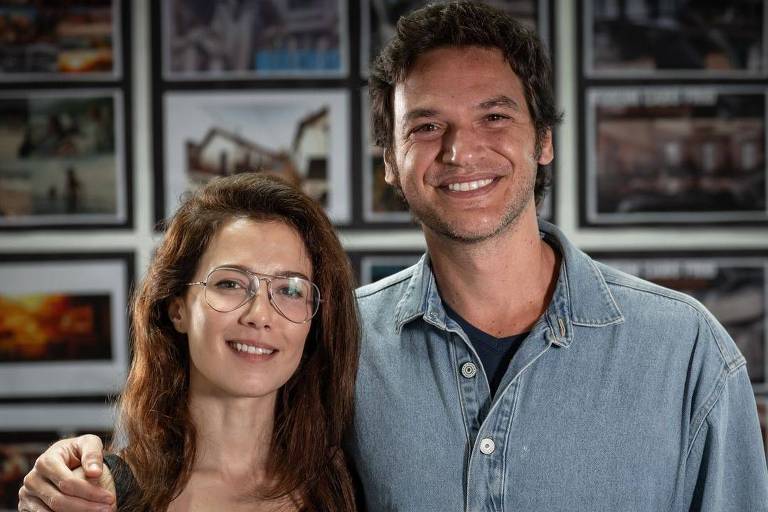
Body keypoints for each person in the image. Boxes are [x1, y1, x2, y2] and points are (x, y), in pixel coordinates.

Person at [18, 2, 768, 511]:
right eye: (426, 126)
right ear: (388, 160)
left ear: (543, 139)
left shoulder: (687, 353)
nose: (460, 150)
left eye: (494, 116)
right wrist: (75, 469)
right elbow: (208, 443)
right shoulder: (335, 341)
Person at [18, 173, 359, 511]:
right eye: (230, 284)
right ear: (177, 308)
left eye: (289, 290)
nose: (260, 315)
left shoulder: (346, 485)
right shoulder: (93, 495)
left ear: (314, 320)